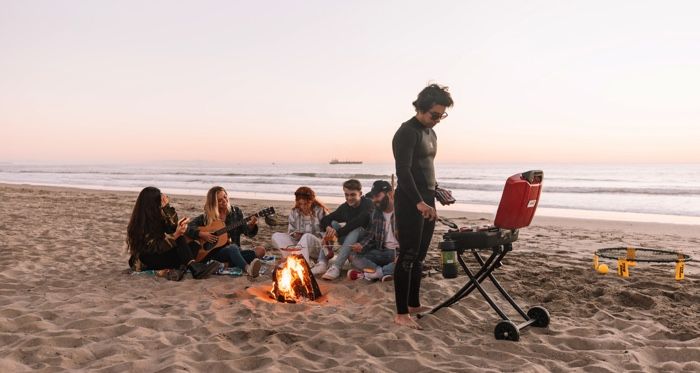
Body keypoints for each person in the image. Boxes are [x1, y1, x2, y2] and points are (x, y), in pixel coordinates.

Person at [392, 83, 454, 329]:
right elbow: (403, 172)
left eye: (442, 115)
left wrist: (436, 190)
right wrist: (418, 201)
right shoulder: (407, 132)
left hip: (426, 199)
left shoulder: (431, 132)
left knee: (419, 257)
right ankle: (400, 313)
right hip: (409, 201)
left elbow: (425, 169)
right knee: (406, 256)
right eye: (434, 115)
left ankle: (414, 304)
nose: (438, 120)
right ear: (420, 108)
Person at [126, 187, 220, 280]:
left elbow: (172, 227)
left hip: (160, 254)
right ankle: (192, 268)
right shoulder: (140, 224)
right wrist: (175, 235)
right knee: (179, 238)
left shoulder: (157, 215)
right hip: (148, 258)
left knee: (194, 245)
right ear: (152, 203)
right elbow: (155, 247)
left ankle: (184, 268)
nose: (161, 202)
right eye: (159, 200)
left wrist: (167, 208)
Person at [185, 186, 263, 277]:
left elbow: (247, 232)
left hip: (235, 252)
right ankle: (248, 269)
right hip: (213, 253)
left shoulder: (236, 212)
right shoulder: (207, 217)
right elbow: (187, 227)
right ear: (213, 203)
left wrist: (252, 225)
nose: (224, 201)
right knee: (232, 247)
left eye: (225, 197)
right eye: (220, 200)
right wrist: (202, 234)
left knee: (260, 251)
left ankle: (225, 264)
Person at [315, 179, 373, 280]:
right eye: (346, 194)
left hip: (366, 242)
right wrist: (329, 227)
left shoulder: (368, 204)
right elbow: (325, 219)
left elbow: (358, 222)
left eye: (352, 195)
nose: (349, 198)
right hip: (349, 240)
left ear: (360, 193)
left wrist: (336, 233)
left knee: (356, 229)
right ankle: (322, 263)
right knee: (332, 224)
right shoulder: (345, 207)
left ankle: (336, 267)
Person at [346, 180, 397, 282]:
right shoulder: (376, 213)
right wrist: (361, 245)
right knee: (352, 256)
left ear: (390, 194)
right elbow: (371, 235)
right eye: (373, 197)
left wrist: (402, 255)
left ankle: (368, 274)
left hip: (398, 254)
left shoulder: (402, 212)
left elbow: (412, 240)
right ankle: (382, 272)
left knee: (409, 262)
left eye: (377, 196)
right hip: (382, 251)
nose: (374, 200)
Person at [271, 186, 328, 266]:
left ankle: (303, 264)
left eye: (306, 203)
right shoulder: (294, 212)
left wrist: (308, 236)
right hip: (298, 245)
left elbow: (327, 233)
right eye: (301, 204)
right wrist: (295, 234)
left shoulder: (320, 211)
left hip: (317, 247)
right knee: (276, 236)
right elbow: (290, 231)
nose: (303, 206)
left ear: (312, 201)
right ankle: (290, 259)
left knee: (306, 237)